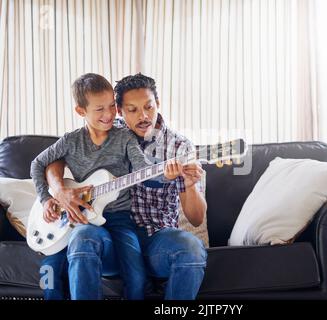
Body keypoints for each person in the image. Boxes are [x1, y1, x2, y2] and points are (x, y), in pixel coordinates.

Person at [46, 73, 208, 300]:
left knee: (191, 248)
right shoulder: (107, 129)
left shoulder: (180, 147)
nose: (143, 116)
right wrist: (59, 190)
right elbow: (55, 158)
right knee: (82, 237)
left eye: (149, 107)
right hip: (107, 233)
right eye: (132, 110)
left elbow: (197, 218)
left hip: (156, 239)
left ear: (158, 104)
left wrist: (188, 185)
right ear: (119, 111)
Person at [30, 73, 159, 300]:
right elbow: (38, 163)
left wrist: (164, 172)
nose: (109, 114)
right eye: (99, 109)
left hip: (119, 218)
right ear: (81, 111)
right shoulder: (71, 141)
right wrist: (47, 198)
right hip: (77, 216)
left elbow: (144, 169)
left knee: (137, 277)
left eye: (111, 106)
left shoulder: (125, 138)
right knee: (48, 274)